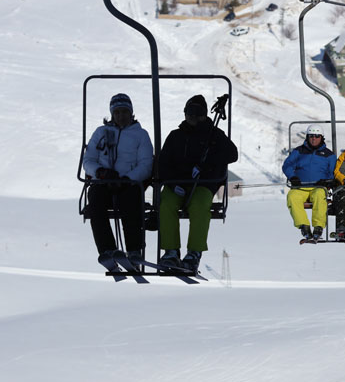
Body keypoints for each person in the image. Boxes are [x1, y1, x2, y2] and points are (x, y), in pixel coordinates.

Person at [158, 95, 238, 271]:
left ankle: (194, 253)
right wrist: (171, 183)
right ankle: (171, 251)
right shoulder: (175, 136)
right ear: (185, 113)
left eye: (199, 112)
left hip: (203, 185)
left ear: (205, 114)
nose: (194, 116)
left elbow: (232, 154)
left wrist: (208, 161)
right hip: (177, 183)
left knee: (200, 205)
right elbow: (163, 163)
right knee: (166, 203)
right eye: (190, 112)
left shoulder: (214, 135)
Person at [83, 93, 153, 269]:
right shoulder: (101, 133)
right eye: (117, 112)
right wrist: (100, 172)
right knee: (95, 201)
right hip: (103, 181)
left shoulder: (140, 135)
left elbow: (145, 164)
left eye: (124, 112)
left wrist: (127, 179)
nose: (121, 116)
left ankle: (134, 250)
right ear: (112, 114)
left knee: (130, 202)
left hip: (129, 183)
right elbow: (88, 160)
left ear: (131, 113)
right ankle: (107, 249)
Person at [282, 125, 336, 241]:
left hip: (319, 186)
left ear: (321, 138)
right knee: (292, 196)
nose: (314, 139)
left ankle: (318, 227)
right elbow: (287, 165)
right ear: (307, 137)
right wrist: (293, 177)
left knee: (319, 196)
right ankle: (304, 226)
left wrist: (327, 180)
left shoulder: (328, 155)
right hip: (301, 186)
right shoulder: (299, 151)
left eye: (317, 136)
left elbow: (333, 172)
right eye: (311, 136)